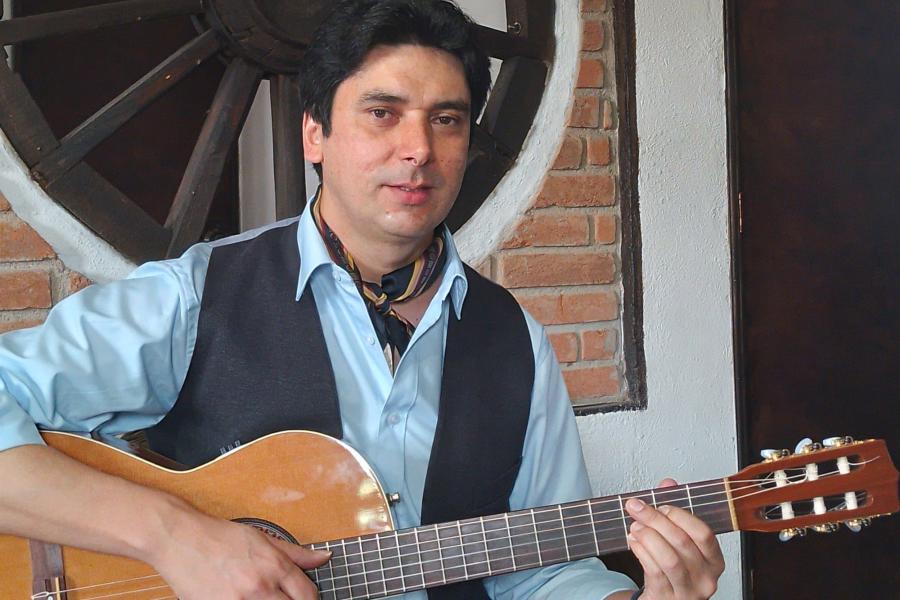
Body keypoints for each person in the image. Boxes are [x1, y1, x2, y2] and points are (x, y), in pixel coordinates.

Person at [0, 1, 724, 598]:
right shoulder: (198, 298)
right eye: (383, 113)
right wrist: (172, 534)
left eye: (446, 120)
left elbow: (541, 571)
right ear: (315, 133)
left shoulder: (514, 342)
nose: (418, 149)